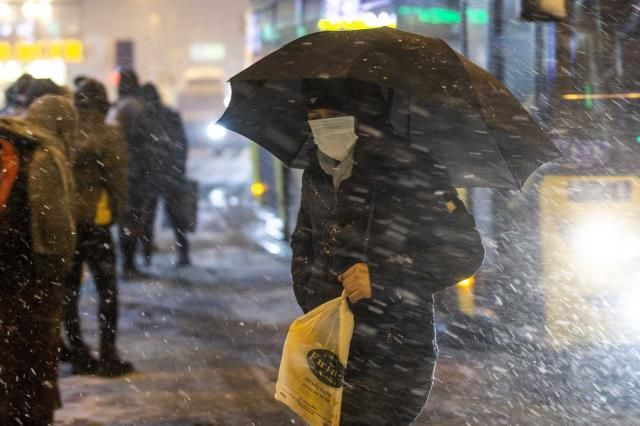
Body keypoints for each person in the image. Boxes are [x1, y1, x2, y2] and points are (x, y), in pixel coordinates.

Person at [290, 78, 485, 425]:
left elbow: (464, 250)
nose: (322, 125)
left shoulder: (411, 169)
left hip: (395, 353)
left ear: (361, 116)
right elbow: (304, 242)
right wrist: (312, 296)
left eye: (332, 115)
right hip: (331, 347)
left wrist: (381, 279)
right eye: (314, 115)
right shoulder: (316, 173)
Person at [0, 95, 77, 423]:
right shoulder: (47, 151)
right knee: (35, 352)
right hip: (31, 272)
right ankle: (31, 412)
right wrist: (59, 271)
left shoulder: (12, 139)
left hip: (5, 266)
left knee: (7, 352)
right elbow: (56, 224)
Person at [62, 78, 133, 376]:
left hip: (66, 221)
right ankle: (107, 354)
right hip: (97, 222)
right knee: (107, 289)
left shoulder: (64, 133)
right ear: (104, 105)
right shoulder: (109, 134)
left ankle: (78, 353)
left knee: (69, 291)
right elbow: (117, 181)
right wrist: (119, 214)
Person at [110, 69, 156, 277]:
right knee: (134, 219)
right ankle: (129, 265)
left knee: (124, 220)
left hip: (118, 171)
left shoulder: (115, 108)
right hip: (136, 173)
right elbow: (146, 143)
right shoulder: (138, 108)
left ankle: (126, 264)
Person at [139, 82, 191, 267]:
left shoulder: (143, 118)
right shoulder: (170, 114)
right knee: (177, 216)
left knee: (147, 217)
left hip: (150, 175)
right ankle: (183, 253)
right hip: (170, 173)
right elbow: (182, 144)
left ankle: (146, 256)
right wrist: (179, 170)